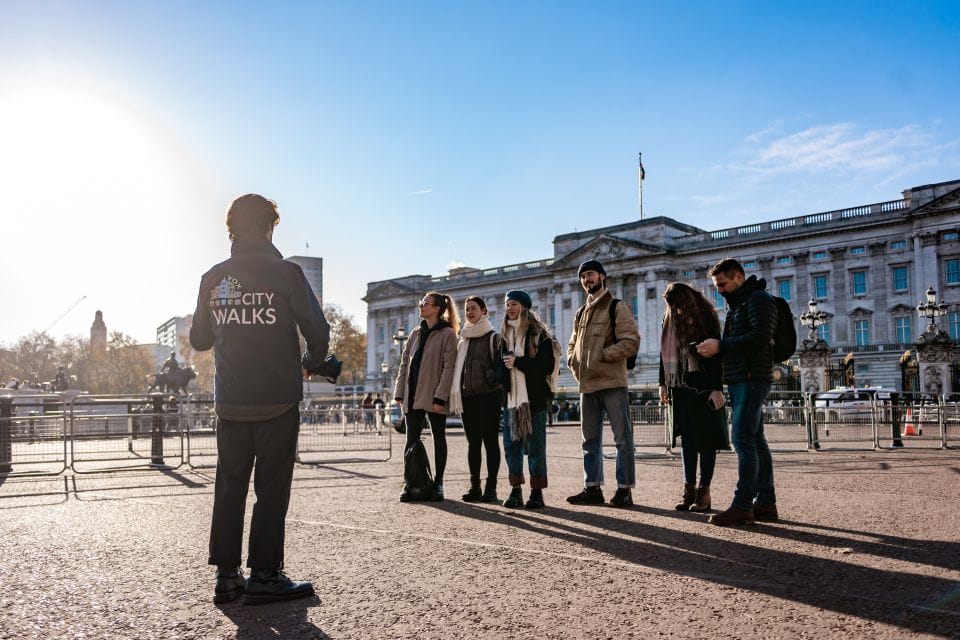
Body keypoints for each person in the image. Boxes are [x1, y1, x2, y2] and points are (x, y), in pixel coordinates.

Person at [190, 193, 330, 604]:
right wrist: (311, 360)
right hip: (276, 398)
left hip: (230, 399)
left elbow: (199, 340)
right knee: (271, 489)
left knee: (229, 486)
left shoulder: (213, 278)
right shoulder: (286, 273)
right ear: (270, 227)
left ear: (231, 229)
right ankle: (266, 573)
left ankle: (227, 575)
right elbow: (318, 330)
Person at [695, 258, 778, 526]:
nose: (719, 289)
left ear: (739, 277)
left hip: (752, 377)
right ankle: (765, 502)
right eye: (716, 285)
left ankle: (743, 505)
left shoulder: (758, 299)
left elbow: (760, 337)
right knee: (756, 440)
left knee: (741, 438)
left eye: (722, 284)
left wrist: (720, 346)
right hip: (741, 377)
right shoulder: (739, 304)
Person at [566, 259, 641, 508]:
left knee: (622, 439)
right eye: (583, 277)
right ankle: (592, 487)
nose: (587, 280)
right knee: (589, 441)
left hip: (611, 382)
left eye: (590, 275)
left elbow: (630, 341)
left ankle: (624, 489)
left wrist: (602, 356)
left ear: (602, 277)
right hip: (587, 385)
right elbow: (572, 344)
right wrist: (573, 362)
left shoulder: (617, 307)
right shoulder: (580, 312)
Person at [658, 282, 728, 513]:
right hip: (679, 385)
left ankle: (703, 492)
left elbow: (716, 357)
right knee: (687, 441)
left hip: (703, 385)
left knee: (706, 442)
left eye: (676, 305)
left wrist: (717, 388)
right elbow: (663, 354)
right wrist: (662, 384)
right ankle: (688, 491)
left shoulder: (706, 318)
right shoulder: (669, 320)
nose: (673, 310)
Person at [394, 291, 458, 501]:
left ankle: (438, 482)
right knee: (410, 439)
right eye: (421, 302)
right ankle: (410, 482)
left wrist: (440, 396)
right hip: (413, 394)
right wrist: (400, 391)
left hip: (433, 395)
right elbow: (405, 364)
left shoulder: (447, 334)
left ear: (437, 308)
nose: (421, 306)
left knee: (439, 438)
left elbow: (449, 367)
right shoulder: (415, 333)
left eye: (425, 303)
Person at [499, 290, 557, 508]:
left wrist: (518, 362)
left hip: (533, 399)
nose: (509, 309)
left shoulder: (538, 333)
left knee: (535, 446)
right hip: (511, 399)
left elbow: (546, 365)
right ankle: (515, 490)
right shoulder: (503, 335)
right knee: (511, 446)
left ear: (524, 306)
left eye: (513, 304)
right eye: (507, 305)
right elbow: (499, 366)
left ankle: (536, 491)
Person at [449, 296, 503, 503]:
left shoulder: (493, 337)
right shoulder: (463, 338)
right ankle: (475, 486)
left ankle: (491, 487)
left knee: (490, 443)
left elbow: (499, 368)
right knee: (473, 445)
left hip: (488, 397)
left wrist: (489, 379)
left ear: (484, 311)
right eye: (466, 309)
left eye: (473, 309)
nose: (469, 312)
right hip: (467, 398)